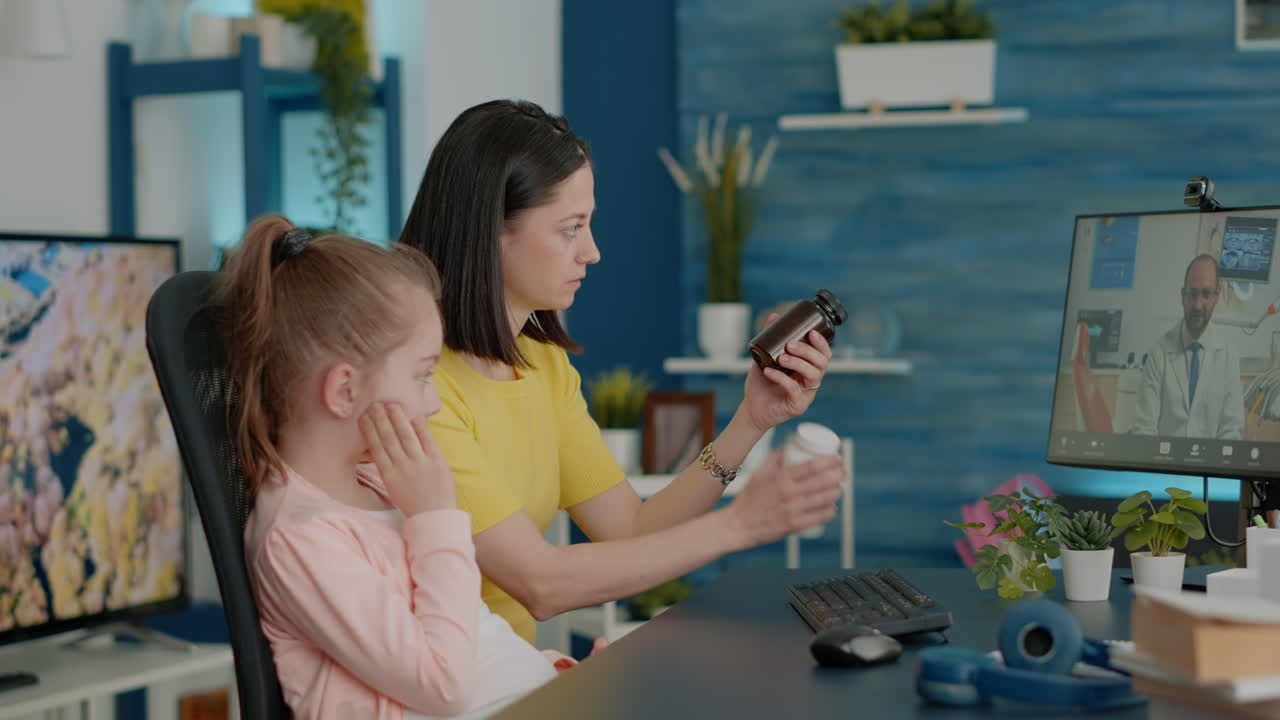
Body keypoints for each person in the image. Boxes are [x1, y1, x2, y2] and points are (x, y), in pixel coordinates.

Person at [399, 99, 846, 644]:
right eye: (571, 228)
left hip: (514, 677)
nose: (593, 251)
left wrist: (751, 421)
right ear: (490, 229)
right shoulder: (419, 386)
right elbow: (540, 585)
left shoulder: (542, 365)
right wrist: (741, 524)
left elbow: (631, 530)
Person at [217, 215, 581, 720]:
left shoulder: (380, 488)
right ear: (345, 390)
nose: (432, 403)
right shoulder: (299, 539)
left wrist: (557, 678)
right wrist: (437, 517)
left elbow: (466, 635)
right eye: (422, 375)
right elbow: (443, 685)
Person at [1132, 253, 1244, 440]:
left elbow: (1231, 430)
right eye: (1192, 294)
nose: (1198, 305)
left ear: (1216, 296)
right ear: (1183, 296)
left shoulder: (1228, 356)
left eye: (1206, 294)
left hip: (1211, 465)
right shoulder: (1158, 353)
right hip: (1164, 463)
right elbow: (1144, 429)